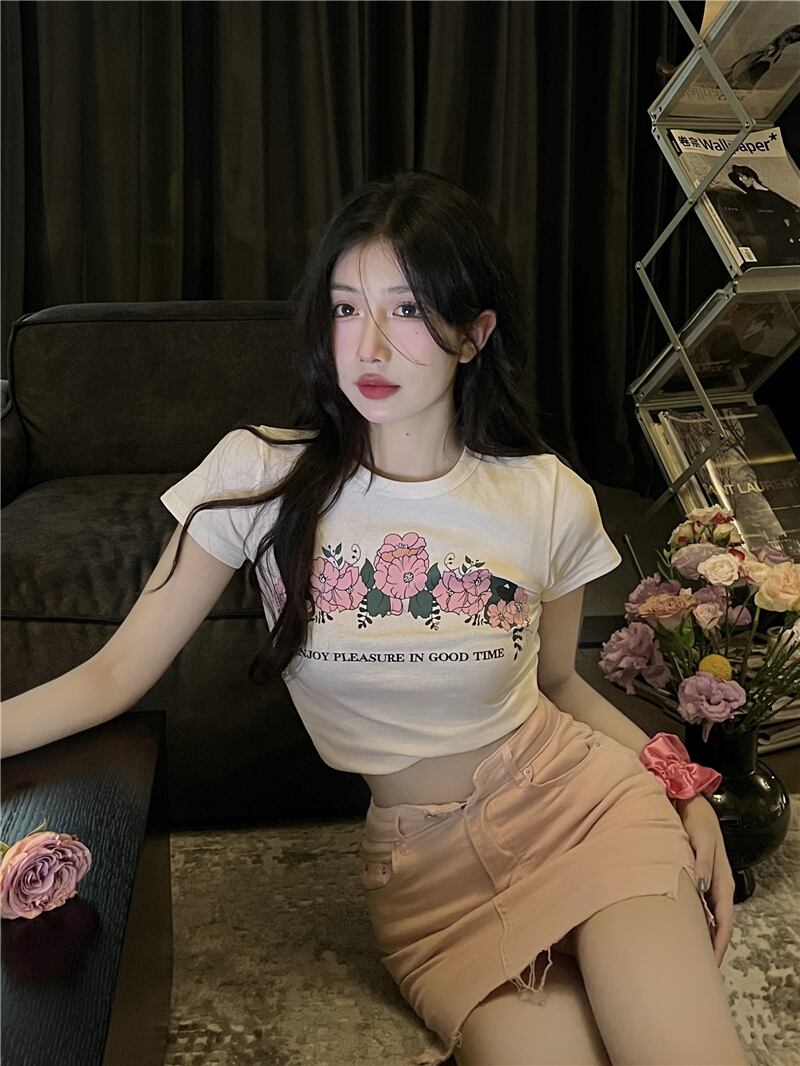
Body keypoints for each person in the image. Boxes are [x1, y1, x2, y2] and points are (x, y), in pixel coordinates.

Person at [1, 170, 749, 1066]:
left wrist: (680, 786)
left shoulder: (546, 496)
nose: (370, 346)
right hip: (430, 880)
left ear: (474, 334)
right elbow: (113, 674)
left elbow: (558, 683)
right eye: (347, 308)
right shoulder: (257, 477)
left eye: (407, 310)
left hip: (582, 809)